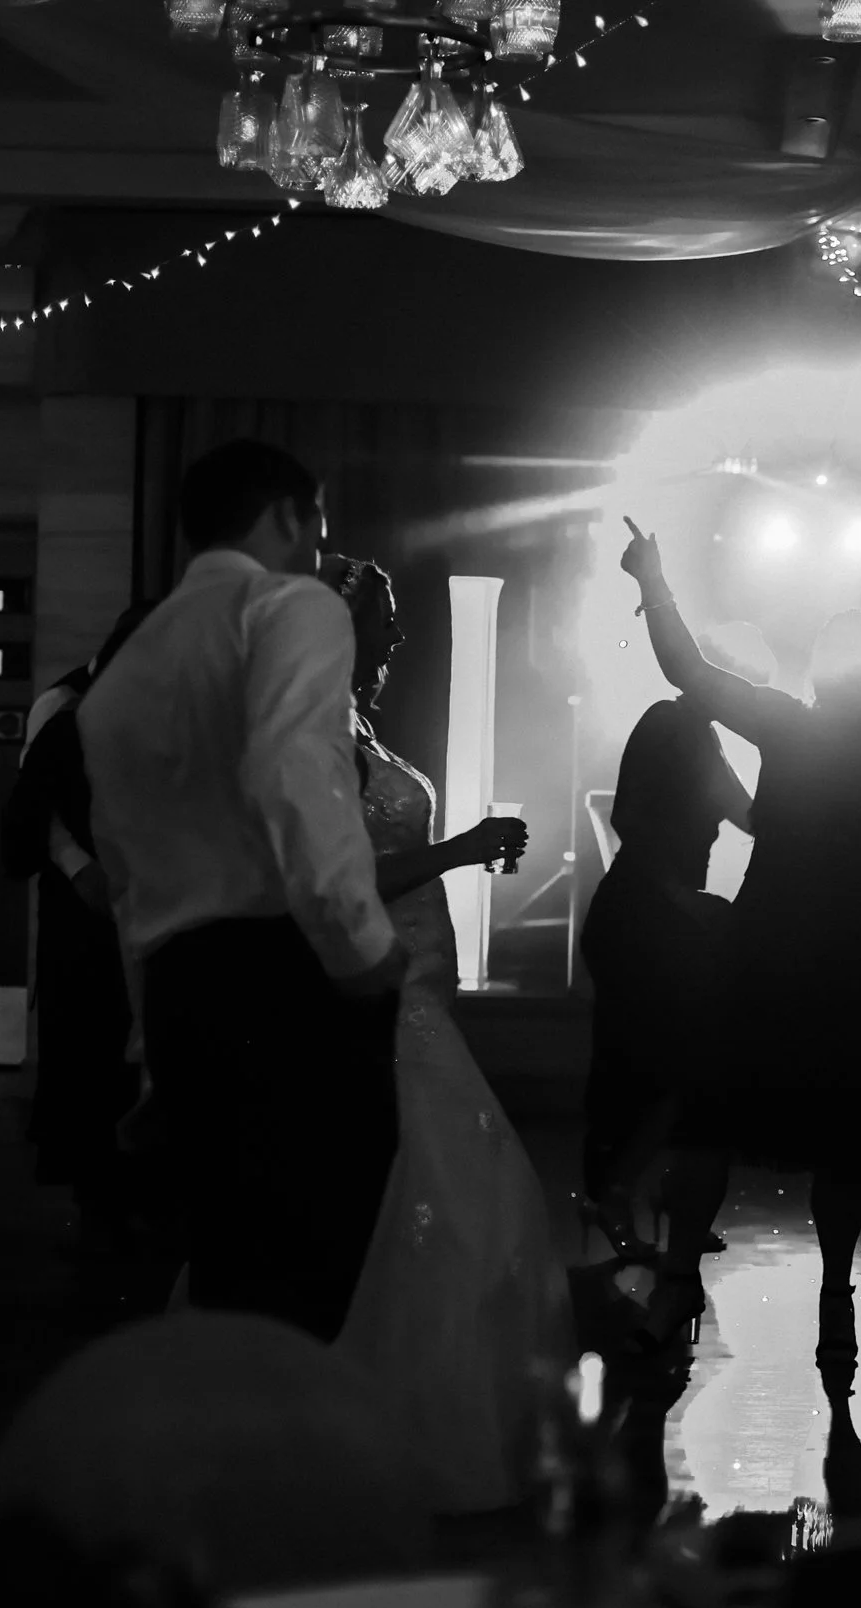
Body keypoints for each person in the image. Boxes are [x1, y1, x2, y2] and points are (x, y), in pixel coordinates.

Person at [80, 438, 405, 1343]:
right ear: (287, 516)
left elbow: (129, 882)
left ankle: (230, 1467)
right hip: (286, 974)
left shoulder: (127, 669)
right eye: (317, 529)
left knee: (229, 1272)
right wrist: (361, 945)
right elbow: (294, 767)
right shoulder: (287, 605)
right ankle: (295, 1465)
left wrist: (153, 1045)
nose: (317, 553)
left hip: (185, 994)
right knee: (314, 1278)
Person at [617, 519, 861, 1370]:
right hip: (854, 958)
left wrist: (655, 576)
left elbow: (687, 670)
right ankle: (835, 1299)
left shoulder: (792, 726)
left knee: (710, 1120)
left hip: (764, 951)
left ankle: (679, 1278)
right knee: (845, 1133)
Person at [315, 558, 570, 1513]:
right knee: (465, 1208)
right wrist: (462, 847)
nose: (398, 638)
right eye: (383, 621)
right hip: (388, 1008)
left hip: (421, 995)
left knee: (453, 1208)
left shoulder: (358, 726)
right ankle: (403, 1424)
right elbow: (342, 882)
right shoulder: (321, 738)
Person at [1, 604, 153, 1247]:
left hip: (143, 917)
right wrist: (81, 867)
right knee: (95, 1065)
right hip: (90, 924)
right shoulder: (64, 716)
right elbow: (30, 820)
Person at [578, 690, 748, 1265]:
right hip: (636, 918)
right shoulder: (668, 722)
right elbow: (628, 816)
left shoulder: (705, 738)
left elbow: (753, 816)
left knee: (674, 1066)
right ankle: (618, 1193)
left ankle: (648, 1194)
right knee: (662, 1069)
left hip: (661, 919)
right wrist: (681, 896)